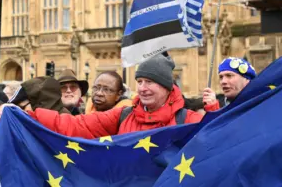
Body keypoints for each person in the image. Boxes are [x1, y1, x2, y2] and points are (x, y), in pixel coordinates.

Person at [22, 54, 204, 138]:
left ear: (166, 86)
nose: (142, 88)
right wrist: (26, 114)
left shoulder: (190, 120)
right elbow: (74, 125)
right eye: (139, 81)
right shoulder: (123, 115)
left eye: (149, 82)